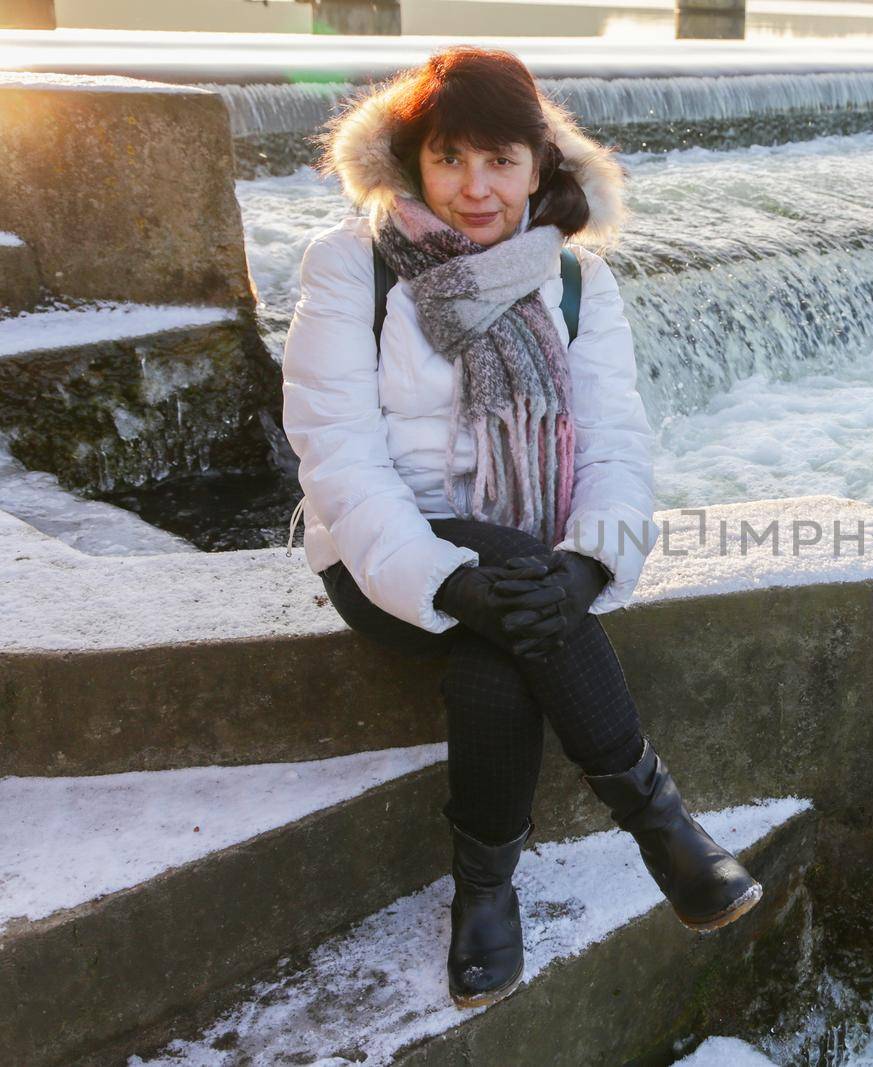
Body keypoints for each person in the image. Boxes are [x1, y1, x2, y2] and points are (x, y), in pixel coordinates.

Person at [279, 45, 762, 1011]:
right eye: (451, 158)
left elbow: (617, 446)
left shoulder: (578, 283)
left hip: (537, 555)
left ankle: (485, 890)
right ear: (412, 160)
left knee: (506, 635)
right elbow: (338, 458)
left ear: (540, 168)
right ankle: (663, 827)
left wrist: (587, 565)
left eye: (501, 160)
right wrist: (444, 576)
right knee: (500, 574)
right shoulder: (351, 267)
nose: (475, 187)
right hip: (383, 558)